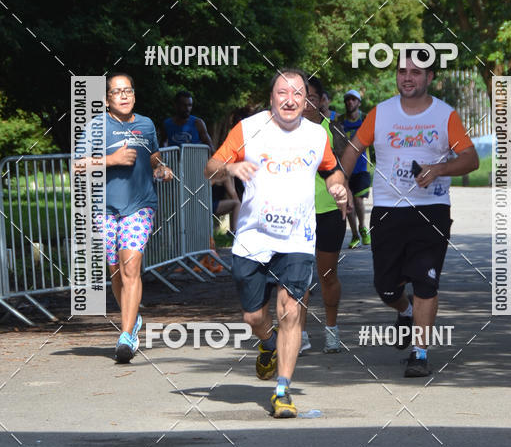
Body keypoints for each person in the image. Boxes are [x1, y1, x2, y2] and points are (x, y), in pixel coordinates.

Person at [204, 69, 347, 418]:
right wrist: (231, 170)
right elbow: (211, 166)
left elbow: (332, 170)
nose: (290, 99)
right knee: (254, 315)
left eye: (298, 94)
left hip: (297, 237)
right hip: (253, 238)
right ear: (272, 97)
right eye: (283, 92)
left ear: (306, 100)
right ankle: (266, 342)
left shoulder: (316, 134)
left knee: (291, 310)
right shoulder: (249, 129)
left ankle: (282, 390)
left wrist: (337, 186)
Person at [340, 50, 479, 377]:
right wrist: (341, 185)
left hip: (432, 210)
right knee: (385, 286)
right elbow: (354, 149)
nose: (407, 77)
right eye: (403, 70)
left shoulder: (445, 115)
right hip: (388, 210)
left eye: (416, 72)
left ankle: (420, 353)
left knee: (426, 281)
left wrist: (440, 168)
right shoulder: (381, 113)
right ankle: (402, 311)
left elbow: (471, 159)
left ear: (429, 78)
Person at [76, 73, 173, 363]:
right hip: (104, 207)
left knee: (131, 267)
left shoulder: (146, 124)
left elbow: (153, 156)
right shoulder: (95, 127)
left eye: (128, 90)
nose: (124, 95)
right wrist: (111, 160)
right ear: (107, 99)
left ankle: (126, 335)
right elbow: (78, 165)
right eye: (117, 91)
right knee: (115, 270)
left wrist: (161, 168)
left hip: (141, 205)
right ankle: (134, 317)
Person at [299, 77, 345, 354]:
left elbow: (343, 169)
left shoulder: (332, 132)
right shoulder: (285, 132)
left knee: (327, 275)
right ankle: (299, 332)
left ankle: (331, 329)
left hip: (327, 211)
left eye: (312, 98)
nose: (305, 104)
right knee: (298, 277)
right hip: (296, 213)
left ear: (322, 101)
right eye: (301, 97)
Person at [162, 90, 240, 231]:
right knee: (176, 205)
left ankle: (206, 236)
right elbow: (162, 144)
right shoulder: (167, 124)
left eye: (189, 105)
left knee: (195, 203)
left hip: (195, 170)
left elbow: (210, 146)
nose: (187, 108)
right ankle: (176, 237)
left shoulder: (197, 123)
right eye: (183, 105)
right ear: (175, 105)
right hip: (176, 172)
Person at [334, 89, 371, 248]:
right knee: (348, 203)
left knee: (357, 200)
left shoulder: (366, 119)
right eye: (347, 100)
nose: (350, 102)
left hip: (362, 167)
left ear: (359, 103)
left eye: (353, 100)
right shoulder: (340, 121)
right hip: (345, 168)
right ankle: (355, 235)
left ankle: (363, 227)